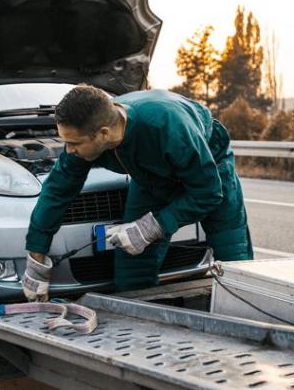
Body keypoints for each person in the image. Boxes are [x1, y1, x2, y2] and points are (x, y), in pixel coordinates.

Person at [21, 85, 253, 302]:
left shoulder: (168, 126)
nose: (69, 151)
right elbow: (56, 191)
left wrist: (152, 227)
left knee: (232, 252)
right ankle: (141, 325)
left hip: (208, 168)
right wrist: (36, 257)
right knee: (132, 263)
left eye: (74, 144)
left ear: (103, 134)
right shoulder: (90, 135)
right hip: (151, 177)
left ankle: (247, 317)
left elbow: (209, 193)